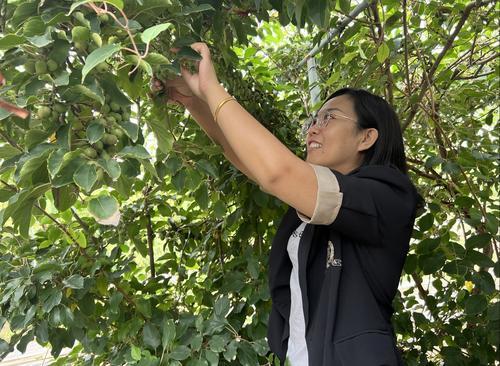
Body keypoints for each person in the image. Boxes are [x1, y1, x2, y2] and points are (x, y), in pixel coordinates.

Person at [159, 42, 420, 366]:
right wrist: (191, 99)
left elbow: (276, 173)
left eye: (329, 118)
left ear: (366, 138)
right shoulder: (311, 201)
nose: (314, 127)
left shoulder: (389, 195)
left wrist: (211, 87)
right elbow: (250, 159)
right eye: (314, 119)